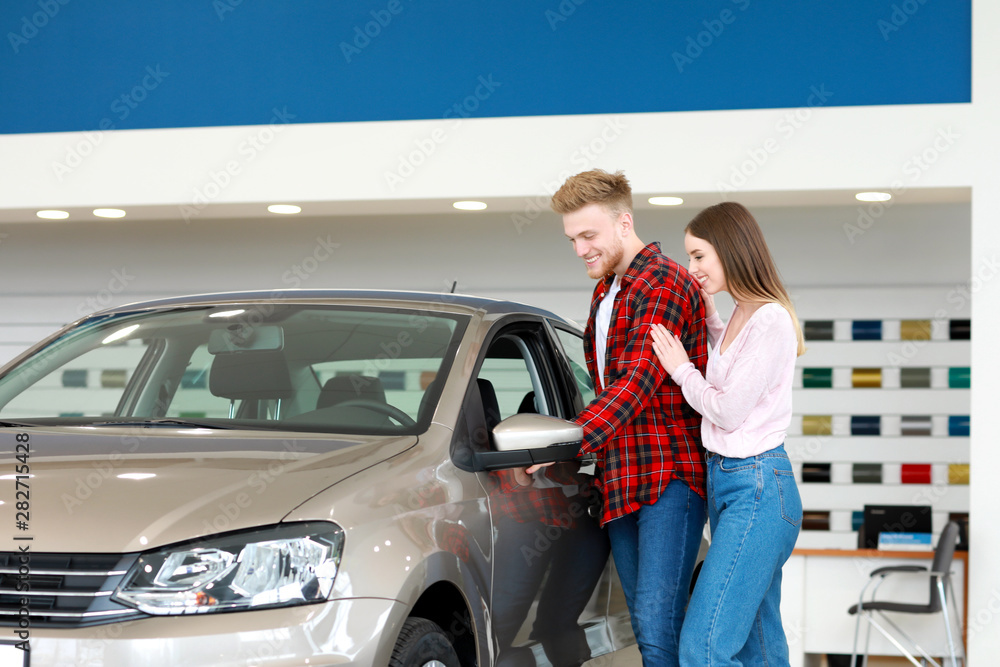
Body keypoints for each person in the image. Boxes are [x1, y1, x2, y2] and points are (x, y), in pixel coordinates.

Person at [530, 169, 709, 666]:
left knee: (656, 625)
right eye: (572, 239)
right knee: (645, 620)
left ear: (623, 222)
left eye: (589, 235)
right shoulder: (607, 291)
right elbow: (606, 386)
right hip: (620, 476)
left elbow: (635, 383)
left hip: (668, 475)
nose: (580, 248)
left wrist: (563, 442)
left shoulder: (664, 281)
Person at [648, 201, 805, 665]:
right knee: (760, 647)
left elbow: (729, 410)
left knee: (704, 646)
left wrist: (681, 370)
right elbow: (726, 357)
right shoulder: (741, 314)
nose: (692, 267)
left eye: (699, 255)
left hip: (757, 488)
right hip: (732, 486)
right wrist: (710, 316)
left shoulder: (770, 319)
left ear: (731, 249)